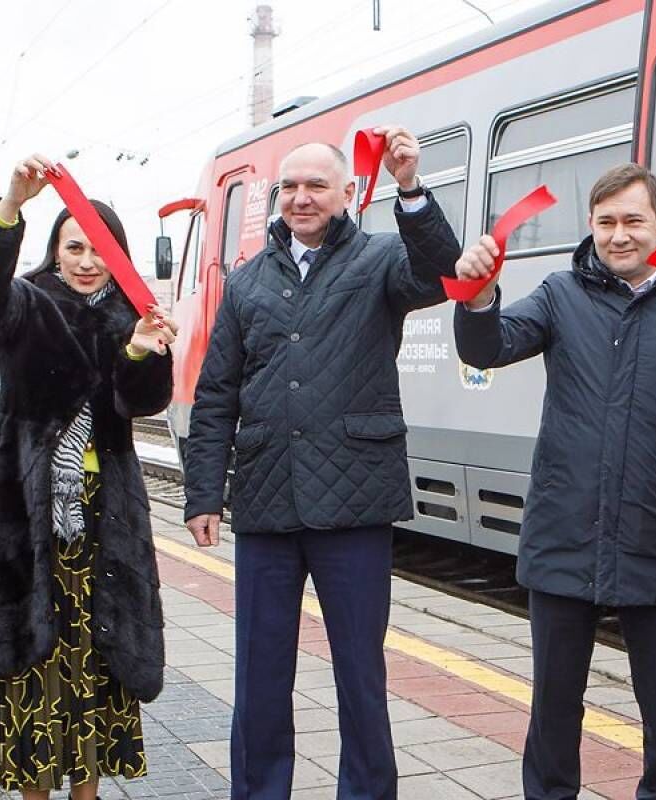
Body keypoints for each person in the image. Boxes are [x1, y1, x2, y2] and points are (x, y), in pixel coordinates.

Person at [452, 163, 656, 800]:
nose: (619, 235)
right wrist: (478, 299)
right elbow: (490, 348)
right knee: (555, 705)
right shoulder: (561, 295)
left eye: (633, 221)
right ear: (591, 226)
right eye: (606, 222)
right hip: (565, 533)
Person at [182, 128, 461, 800]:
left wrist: (412, 187)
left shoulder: (382, 262)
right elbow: (217, 392)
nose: (301, 198)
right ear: (277, 198)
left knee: (361, 674)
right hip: (267, 503)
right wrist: (202, 495)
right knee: (259, 675)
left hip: (355, 501)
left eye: (316, 186)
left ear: (345, 194)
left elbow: (447, 272)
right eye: (290, 188)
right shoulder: (247, 282)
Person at [0, 154, 176, 800]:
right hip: (25, 514)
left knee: (94, 670)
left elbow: (140, 403)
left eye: (101, 249)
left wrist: (143, 351)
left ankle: (86, 792)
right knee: (28, 669)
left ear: (119, 255)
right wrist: (8, 205)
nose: (87, 260)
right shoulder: (26, 308)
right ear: (54, 250)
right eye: (74, 246)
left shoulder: (134, 319)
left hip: (104, 522)